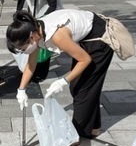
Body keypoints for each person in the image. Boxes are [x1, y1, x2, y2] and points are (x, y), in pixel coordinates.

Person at [6, 9, 114, 139]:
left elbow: (85, 60)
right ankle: (94, 127)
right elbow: (31, 65)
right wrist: (21, 89)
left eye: (23, 49)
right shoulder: (36, 31)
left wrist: (63, 81)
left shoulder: (56, 35)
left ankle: (78, 135)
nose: (24, 52)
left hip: (99, 38)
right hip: (86, 39)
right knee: (84, 86)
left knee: (82, 90)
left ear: (31, 37)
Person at [14, 0, 63, 82]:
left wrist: (41, 21)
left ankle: (41, 73)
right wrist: (18, 13)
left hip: (50, 15)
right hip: (35, 13)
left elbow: (53, 6)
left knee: (45, 44)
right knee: (34, 43)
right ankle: (31, 69)